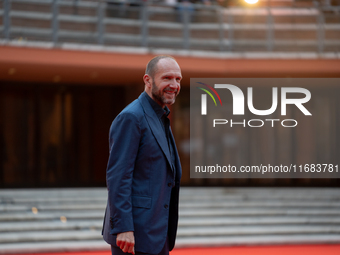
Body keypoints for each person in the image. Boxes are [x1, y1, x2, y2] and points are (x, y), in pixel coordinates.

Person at [102, 55, 182, 255]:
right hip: (134, 236)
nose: (174, 84)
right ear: (148, 80)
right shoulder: (132, 117)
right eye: (167, 78)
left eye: (178, 79)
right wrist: (123, 227)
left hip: (157, 233)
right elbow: (118, 177)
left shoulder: (161, 117)